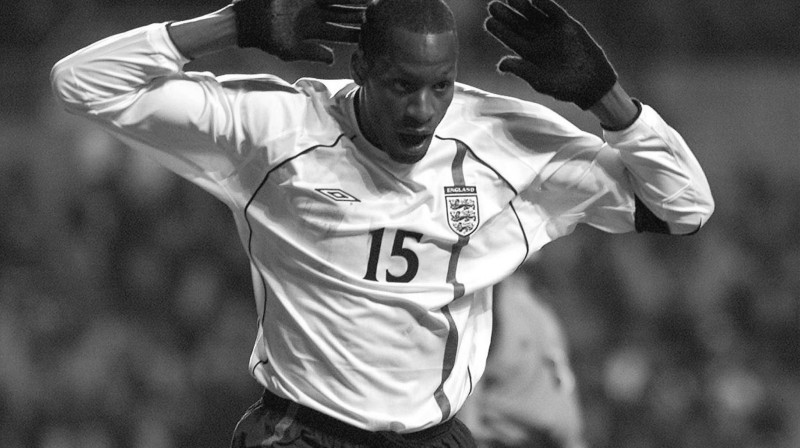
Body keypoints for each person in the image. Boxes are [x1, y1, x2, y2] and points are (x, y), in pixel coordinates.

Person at [50, 0, 714, 446]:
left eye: (440, 86)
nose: (422, 108)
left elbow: (684, 208)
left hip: (435, 437)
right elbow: (81, 83)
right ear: (361, 68)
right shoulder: (277, 130)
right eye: (402, 85)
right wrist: (230, 24)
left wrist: (607, 99)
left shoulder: (509, 143)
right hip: (301, 431)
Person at [459, 270, 586, 448]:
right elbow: (464, 387)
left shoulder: (533, 295)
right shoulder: (490, 297)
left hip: (556, 441)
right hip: (505, 439)